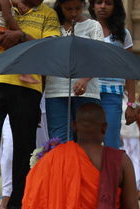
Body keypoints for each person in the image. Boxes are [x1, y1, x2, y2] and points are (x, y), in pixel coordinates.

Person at [19, 103, 139, 209]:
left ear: (74, 126)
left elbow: (34, 205)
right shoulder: (120, 161)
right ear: (104, 127)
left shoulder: (53, 160)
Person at [0, 0, 60, 209]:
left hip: (28, 87)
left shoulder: (48, 14)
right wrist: (1, 39)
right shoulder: (1, 5)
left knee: (24, 145)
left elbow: (48, 50)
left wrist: (19, 36)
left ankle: (17, 204)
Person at [44, 0, 104, 142]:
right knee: (60, 141)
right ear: (60, 7)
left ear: (84, 5)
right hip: (56, 91)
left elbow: (100, 57)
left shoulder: (93, 26)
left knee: (88, 139)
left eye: (77, 8)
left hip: (87, 91)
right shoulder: (52, 27)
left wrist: (85, 79)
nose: (73, 13)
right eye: (68, 9)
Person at [89, 0, 138, 148]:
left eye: (108, 3)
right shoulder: (84, 29)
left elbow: (129, 69)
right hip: (88, 93)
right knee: (88, 141)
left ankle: (111, 171)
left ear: (115, 7)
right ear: (92, 6)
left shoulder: (123, 34)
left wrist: (131, 104)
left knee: (111, 142)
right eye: (99, 2)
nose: (103, 6)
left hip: (112, 95)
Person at [0, 0, 39, 84]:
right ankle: (25, 74)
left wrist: (18, 4)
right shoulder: (4, 1)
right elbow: (8, 17)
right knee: (17, 47)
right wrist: (19, 32)